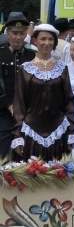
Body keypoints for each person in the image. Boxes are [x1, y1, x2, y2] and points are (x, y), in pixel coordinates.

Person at [11, 24, 74, 161]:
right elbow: (19, 104)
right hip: (31, 132)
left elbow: (69, 101)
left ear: (55, 42)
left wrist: (70, 130)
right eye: (43, 39)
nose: (47, 43)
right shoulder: (25, 69)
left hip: (58, 132)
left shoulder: (62, 69)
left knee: (59, 178)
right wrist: (18, 135)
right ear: (35, 41)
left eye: (50, 39)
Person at [0, 12, 35, 159]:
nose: (18, 37)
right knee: (3, 153)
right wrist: (8, 104)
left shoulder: (32, 55)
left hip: (27, 113)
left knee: (25, 154)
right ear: (7, 32)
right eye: (14, 33)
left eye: (21, 33)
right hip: (3, 112)